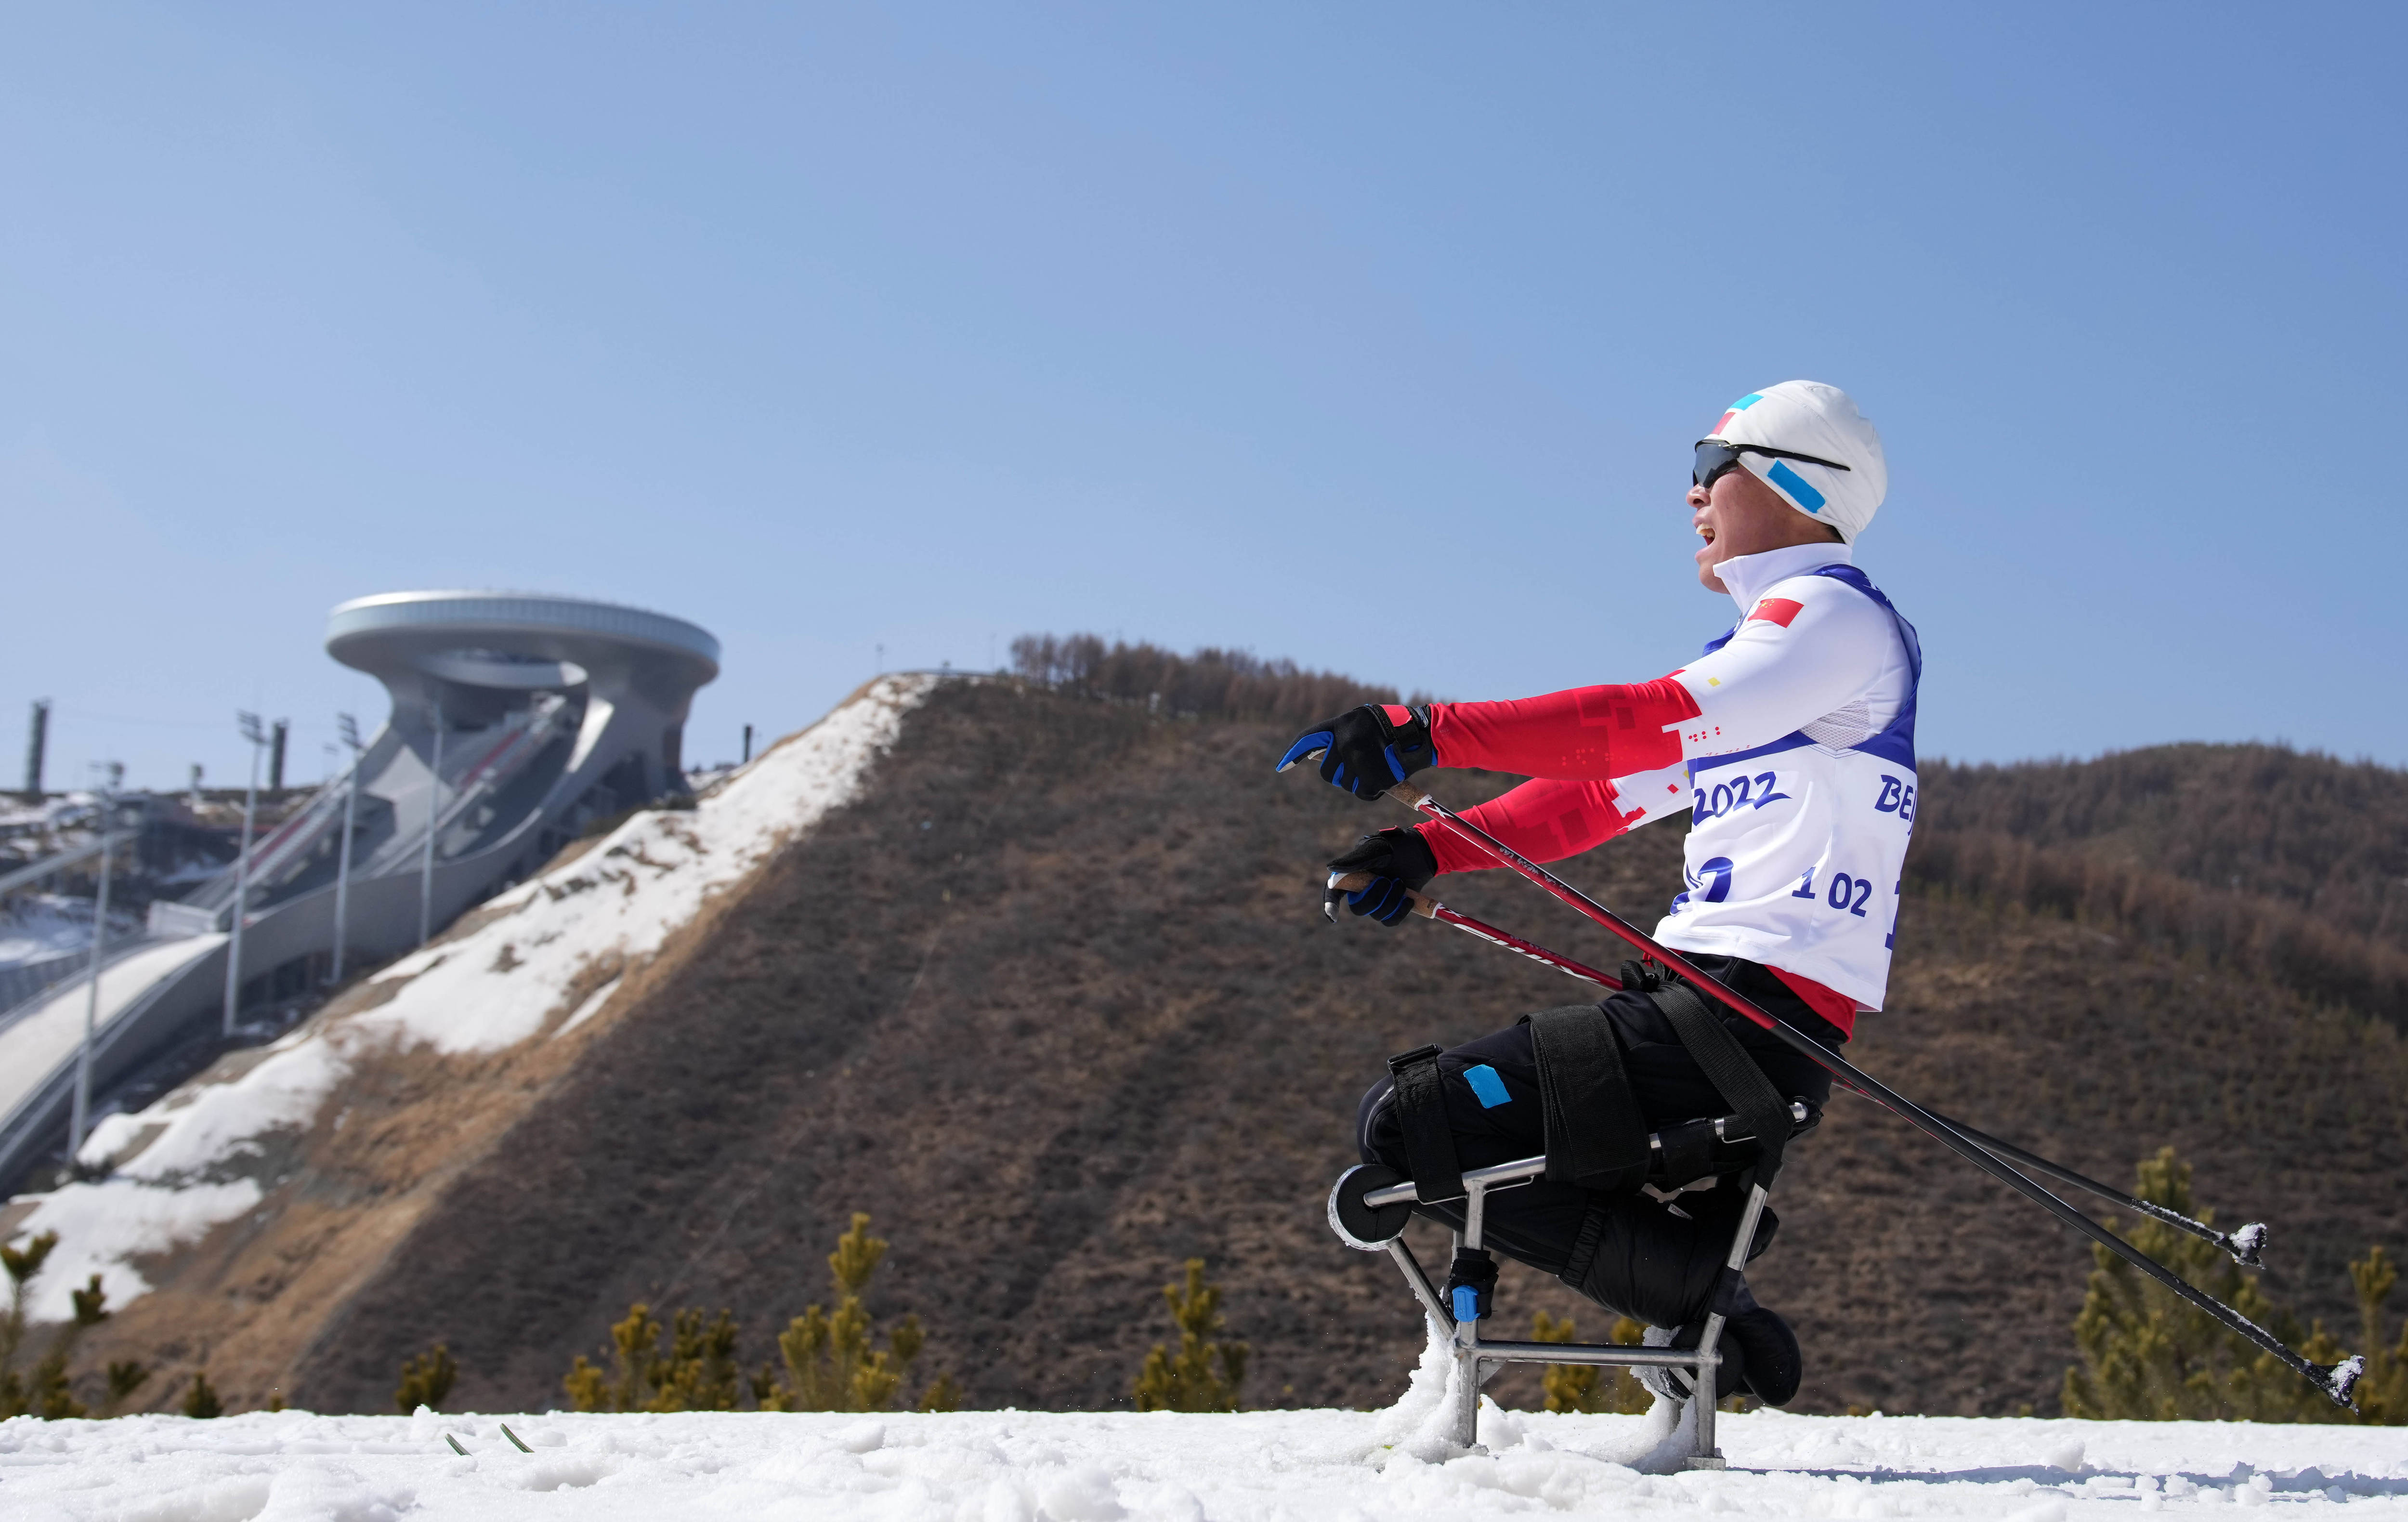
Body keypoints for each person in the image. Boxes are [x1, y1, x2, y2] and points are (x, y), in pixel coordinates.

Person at [1281, 380, 1919, 1409]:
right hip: (1708, 1010)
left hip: (1741, 1021)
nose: (1690, 495)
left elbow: (1642, 720)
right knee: (1414, 1128)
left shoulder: (1832, 617)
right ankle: (1692, 1289)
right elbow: (1591, 800)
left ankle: (1690, 1287)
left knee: (1411, 1126)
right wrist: (1426, 848)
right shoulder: (1769, 655)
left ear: (1794, 481)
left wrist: (1432, 729)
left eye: (1709, 469)